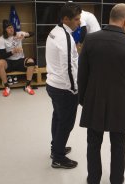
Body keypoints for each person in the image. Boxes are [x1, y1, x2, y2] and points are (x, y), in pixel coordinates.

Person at [78, 3, 125, 184]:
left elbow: (82, 74)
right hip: (119, 103)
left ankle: (93, 179)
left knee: (93, 143)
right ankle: (117, 180)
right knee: (118, 144)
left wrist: (83, 100)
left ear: (110, 17)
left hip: (94, 99)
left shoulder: (90, 40)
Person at [45, 2, 81, 169]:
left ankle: (56, 148)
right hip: (64, 88)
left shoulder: (55, 31)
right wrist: (74, 89)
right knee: (66, 122)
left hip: (53, 84)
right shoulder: (64, 37)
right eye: (76, 19)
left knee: (58, 118)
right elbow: (68, 67)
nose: (79, 22)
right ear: (65, 19)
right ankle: (58, 158)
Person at [0, 19, 35, 97]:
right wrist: (13, 52)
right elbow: (2, 56)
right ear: (5, 30)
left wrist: (24, 35)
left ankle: (27, 86)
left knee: (31, 61)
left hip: (20, 60)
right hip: (9, 62)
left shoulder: (18, 34)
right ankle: (7, 86)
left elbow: (32, 33)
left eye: (12, 27)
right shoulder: (1, 39)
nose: (11, 29)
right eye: (8, 28)